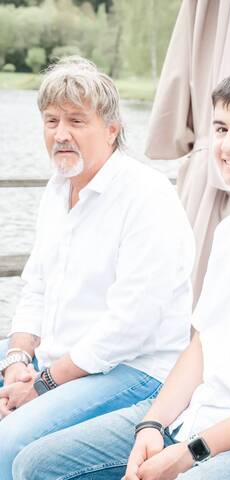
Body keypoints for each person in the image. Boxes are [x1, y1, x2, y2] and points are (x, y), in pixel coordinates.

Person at [12, 67, 230, 480]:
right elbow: (202, 344)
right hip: (195, 417)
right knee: (35, 464)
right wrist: (151, 424)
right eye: (221, 128)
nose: (228, 144)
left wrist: (189, 453)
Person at [0, 56, 195, 479]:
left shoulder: (146, 196)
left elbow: (129, 326)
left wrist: (42, 383)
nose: (61, 134)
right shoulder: (57, 190)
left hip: (135, 370)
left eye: (76, 121)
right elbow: (35, 288)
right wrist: (16, 360)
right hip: (58, 359)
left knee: (8, 443)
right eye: (51, 121)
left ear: (111, 130)